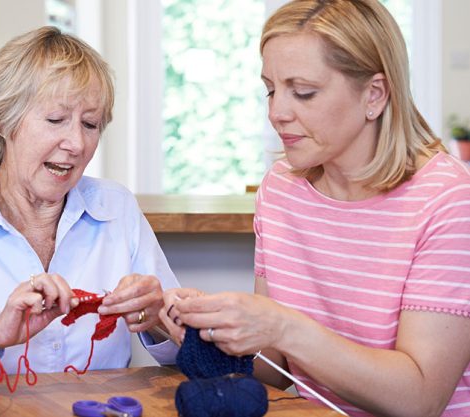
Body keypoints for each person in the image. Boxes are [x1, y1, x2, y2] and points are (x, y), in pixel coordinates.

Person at [160, 1, 470, 416]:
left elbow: (419, 399)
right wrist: (213, 327)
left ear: (374, 95)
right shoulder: (282, 190)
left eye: (303, 92)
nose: (276, 112)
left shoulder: (448, 200)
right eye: (271, 89)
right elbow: (276, 370)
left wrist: (282, 325)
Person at [0, 26, 179, 373]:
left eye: (90, 124)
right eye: (56, 120)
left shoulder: (118, 209)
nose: (77, 143)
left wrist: (159, 315)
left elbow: (185, 354)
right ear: (1, 120)